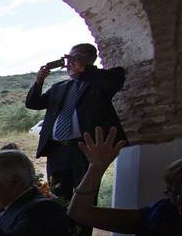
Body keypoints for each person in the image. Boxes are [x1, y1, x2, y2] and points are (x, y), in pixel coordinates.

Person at [26, 43, 127, 201]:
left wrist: (84, 70)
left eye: (75, 59)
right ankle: (63, 226)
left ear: (88, 60)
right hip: (57, 150)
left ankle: (82, 226)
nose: (69, 64)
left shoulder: (103, 80)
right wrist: (39, 82)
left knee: (85, 196)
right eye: (69, 59)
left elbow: (112, 82)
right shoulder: (59, 87)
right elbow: (33, 103)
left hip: (85, 149)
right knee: (57, 197)